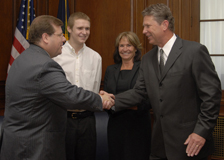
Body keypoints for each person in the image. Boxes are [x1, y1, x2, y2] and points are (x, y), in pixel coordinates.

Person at [111, 3, 222, 160]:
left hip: (190, 143)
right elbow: (139, 92)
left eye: (148, 26)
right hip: (159, 144)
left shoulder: (194, 52)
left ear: (164, 24)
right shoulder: (148, 59)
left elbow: (212, 96)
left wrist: (201, 132)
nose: (144, 31)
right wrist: (110, 99)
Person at [0, 15, 113, 160]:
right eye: (60, 35)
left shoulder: (23, 58)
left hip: (18, 144)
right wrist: (100, 98)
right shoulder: (45, 65)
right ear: (46, 37)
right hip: (34, 147)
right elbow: (70, 94)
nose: (64, 39)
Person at [53, 12, 102, 160]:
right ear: (69, 29)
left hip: (88, 121)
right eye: (80, 28)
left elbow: (94, 91)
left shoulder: (96, 57)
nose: (84, 32)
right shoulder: (56, 57)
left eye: (87, 28)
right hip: (62, 119)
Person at [104, 31, 151, 160]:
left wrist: (117, 104)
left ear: (136, 48)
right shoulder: (110, 69)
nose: (125, 49)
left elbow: (149, 99)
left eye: (129, 45)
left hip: (138, 125)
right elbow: (107, 98)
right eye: (121, 45)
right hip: (116, 125)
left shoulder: (144, 67)